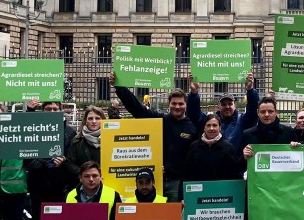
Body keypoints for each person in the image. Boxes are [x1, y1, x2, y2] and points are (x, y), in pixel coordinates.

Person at [239, 96, 297, 220]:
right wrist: (244, 155)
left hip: (281, 197)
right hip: (256, 197)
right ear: (257, 113)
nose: (266, 115)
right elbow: (237, 164)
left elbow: (302, 159)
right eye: (263, 111)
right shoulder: (247, 135)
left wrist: (295, 148)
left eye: (270, 111)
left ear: (276, 113)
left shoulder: (288, 134)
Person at [112, 74, 197, 203]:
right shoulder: (160, 120)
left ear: (186, 105)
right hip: (155, 182)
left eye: (181, 104)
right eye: (174, 103)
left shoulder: (192, 126)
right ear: (169, 104)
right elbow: (136, 108)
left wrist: (194, 93)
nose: (177, 107)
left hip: (177, 184)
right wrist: (119, 87)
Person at [25, 100, 78, 220]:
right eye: (48, 109)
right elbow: (25, 153)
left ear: (61, 111)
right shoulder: (34, 128)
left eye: (56, 109)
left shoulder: (69, 132)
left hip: (60, 186)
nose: (53, 111)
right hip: (38, 185)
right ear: (42, 110)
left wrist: (63, 164)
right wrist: (41, 164)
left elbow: (71, 159)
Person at [188, 73, 259, 151]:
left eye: (230, 104)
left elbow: (252, 111)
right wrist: (194, 93)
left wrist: (250, 90)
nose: (227, 107)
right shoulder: (210, 121)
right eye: (224, 104)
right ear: (218, 107)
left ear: (235, 105)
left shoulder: (242, 121)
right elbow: (194, 114)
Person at [66, 106, 105, 172]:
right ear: (85, 121)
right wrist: (84, 174)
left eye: (97, 118)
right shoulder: (77, 140)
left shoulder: (111, 139)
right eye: (90, 118)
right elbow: (70, 163)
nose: (94, 121)